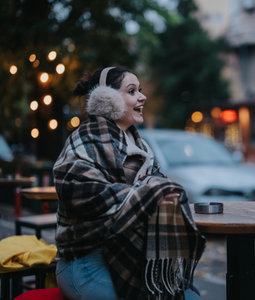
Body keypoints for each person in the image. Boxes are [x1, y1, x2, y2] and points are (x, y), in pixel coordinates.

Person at [53, 66, 205, 300]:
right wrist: (147, 196)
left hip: (131, 257)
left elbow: (158, 187)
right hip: (83, 260)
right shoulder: (83, 138)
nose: (142, 97)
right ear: (107, 100)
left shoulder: (141, 147)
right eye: (132, 91)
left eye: (140, 90)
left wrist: (158, 195)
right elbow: (78, 191)